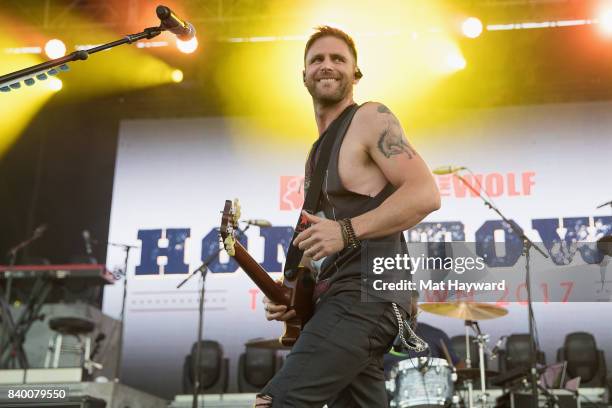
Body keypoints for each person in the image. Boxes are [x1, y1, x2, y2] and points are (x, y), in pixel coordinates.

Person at [256, 26, 440, 407]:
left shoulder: (371, 118)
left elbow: (425, 193)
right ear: (303, 75)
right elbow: (312, 236)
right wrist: (290, 292)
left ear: (355, 73)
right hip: (340, 301)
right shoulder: (315, 154)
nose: (327, 66)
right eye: (316, 60)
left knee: (276, 402)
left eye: (338, 59)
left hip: (365, 298)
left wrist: (348, 231)